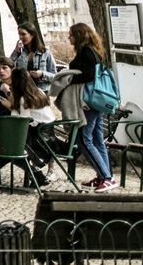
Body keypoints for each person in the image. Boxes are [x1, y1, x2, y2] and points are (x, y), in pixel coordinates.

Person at [0, 68, 54, 187]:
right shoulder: (39, 91)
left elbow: (19, 123)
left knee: (10, 148)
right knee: (9, 146)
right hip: (47, 136)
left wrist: (10, 106)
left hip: (39, 140)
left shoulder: (24, 99)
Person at [67, 22, 117, 191]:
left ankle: (106, 177)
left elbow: (88, 76)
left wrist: (69, 79)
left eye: (71, 34)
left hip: (89, 101)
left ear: (79, 35)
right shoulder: (94, 51)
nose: (69, 37)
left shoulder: (86, 52)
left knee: (83, 139)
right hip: (96, 101)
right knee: (96, 140)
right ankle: (104, 175)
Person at [11, 22, 56, 90]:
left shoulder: (45, 53)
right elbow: (8, 67)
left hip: (41, 92)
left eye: (23, 34)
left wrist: (42, 74)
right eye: (19, 34)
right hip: (24, 91)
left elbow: (55, 76)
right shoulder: (19, 53)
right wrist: (15, 52)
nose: (20, 37)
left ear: (32, 35)